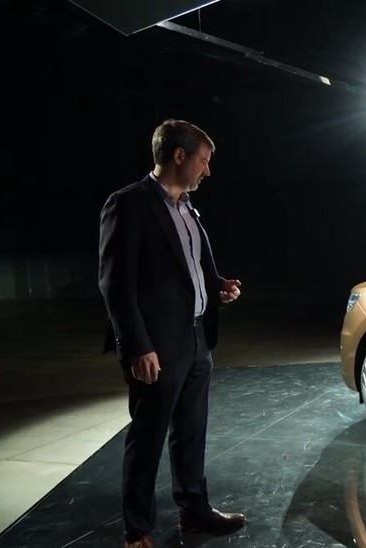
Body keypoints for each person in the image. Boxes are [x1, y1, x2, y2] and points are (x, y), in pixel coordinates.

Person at [98, 119, 246, 548]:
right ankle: (137, 530)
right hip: (157, 347)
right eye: (204, 160)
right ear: (179, 155)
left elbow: (188, 268)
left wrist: (217, 287)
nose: (208, 170)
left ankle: (194, 512)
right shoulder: (128, 204)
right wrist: (138, 346)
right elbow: (115, 284)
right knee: (147, 438)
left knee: (191, 431)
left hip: (196, 339)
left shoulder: (187, 208)